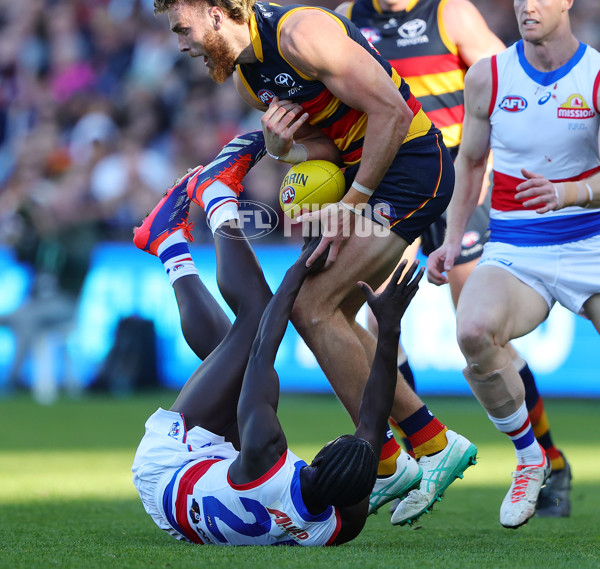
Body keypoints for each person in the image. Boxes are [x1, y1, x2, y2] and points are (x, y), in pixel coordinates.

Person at [153, 0, 479, 526]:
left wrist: (349, 207)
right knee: (324, 313)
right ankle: (422, 445)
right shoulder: (249, 78)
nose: (181, 44)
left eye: (183, 29)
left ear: (214, 12)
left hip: (413, 165)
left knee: (308, 304)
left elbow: (394, 112)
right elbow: (326, 149)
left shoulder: (301, 33)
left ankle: (397, 456)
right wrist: (281, 151)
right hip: (367, 180)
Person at [337, 0, 571, 522]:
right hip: (395, 192)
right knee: (378, 318)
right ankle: (412, 458)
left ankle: (548, 459)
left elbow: (507, 83)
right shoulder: (346, 22)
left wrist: (496, 167)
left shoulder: (450, 14)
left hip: (457, 190)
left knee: (477, 332)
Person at [131, 151, 425, 546]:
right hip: (191, 509)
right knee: (227, 355)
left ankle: (216, 195)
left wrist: (300, 268)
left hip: (167, 467)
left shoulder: (264, 446)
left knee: (252, 320)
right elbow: (373, 418)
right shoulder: (344, 523)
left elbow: (261, 350)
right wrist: (389, 330)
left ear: (320, 458)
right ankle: (167, 243)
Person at [427, 0, 600, 529]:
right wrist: (453, 241)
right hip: (517, 246)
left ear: (567, 0)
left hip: (590, 240)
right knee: (473, 332)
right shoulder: (489, 75)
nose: (527, 6)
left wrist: (569, 193)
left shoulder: (595, 75)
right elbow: (470, 165)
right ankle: (531, 460)